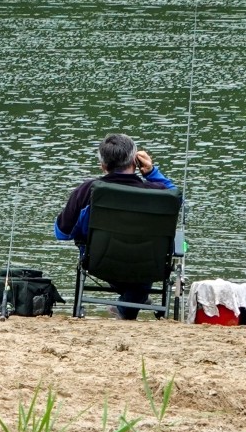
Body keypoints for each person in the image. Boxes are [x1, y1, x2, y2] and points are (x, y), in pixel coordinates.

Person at [53, 132, 175, 319]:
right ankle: (132, 301)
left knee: (124, 261)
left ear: (103, 165)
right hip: (150, 265)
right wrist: (152, 173)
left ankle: (131, 301)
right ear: (136, 161)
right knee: (143, 260)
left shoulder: (87, 190)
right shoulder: (159, 192)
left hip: (99, 262)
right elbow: (176, 198)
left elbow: (62, 233)